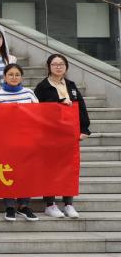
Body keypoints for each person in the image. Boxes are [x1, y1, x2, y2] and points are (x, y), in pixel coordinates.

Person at [35, 54, 91, 219]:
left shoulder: (71, 85)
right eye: (55, 64)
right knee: (50, 169)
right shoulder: (42, 86)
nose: (58, 67)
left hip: (69, 134)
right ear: (48, 67)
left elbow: (81, 107)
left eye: (61, 64)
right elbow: (38, 110)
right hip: (49, 134)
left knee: (69, 168)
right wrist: (59, 104)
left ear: (66, 67)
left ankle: (68, 204)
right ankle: (50, 204)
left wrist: (85, 129)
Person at [0, 63, 40, 221]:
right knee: (7, 172)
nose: (14, 77)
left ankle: (24, 205)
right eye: (10, 75)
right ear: (4, 77)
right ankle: (10, 206)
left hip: (27, 140)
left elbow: (38, 115)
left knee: (26, 173)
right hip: (6, 141)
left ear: (21, 77)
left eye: (17, 75)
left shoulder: (29, 93)